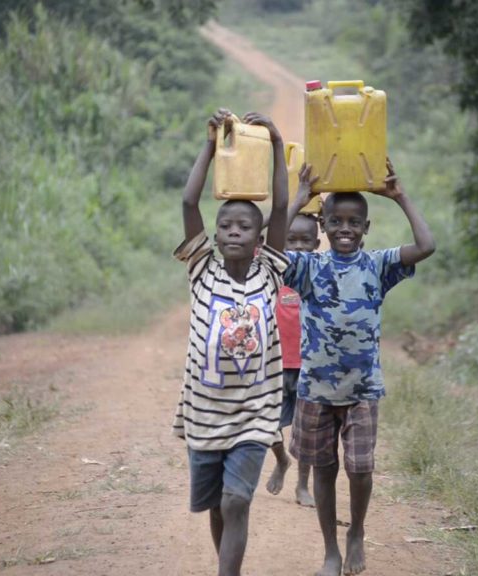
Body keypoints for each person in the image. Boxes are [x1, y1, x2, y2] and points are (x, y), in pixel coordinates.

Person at [284, 161, 436, 576]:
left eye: (354, 222)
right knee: (324, 470)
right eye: (335, 221)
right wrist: (299, 198)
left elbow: (426, 246)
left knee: (361, 469)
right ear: (324, 226)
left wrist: (400, 196)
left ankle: (357, 533)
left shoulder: (378, 265)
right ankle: (331, 549)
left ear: (367, 228)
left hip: (363, 390)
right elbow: (270, 250)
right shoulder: (308, 267)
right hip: (316, 390)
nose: (344, 229)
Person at [173, 108, 288, 576]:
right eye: (226, 227)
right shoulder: (202, 271)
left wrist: (278, 143)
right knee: (218, 507)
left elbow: (281, 209)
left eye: (244, 226)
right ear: (215, 237)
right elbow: (187, 202)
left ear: (259, 238)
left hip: (256, 411)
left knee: (238, 500)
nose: (234, 230)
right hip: (204, 412)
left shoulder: (269, 273)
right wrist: (209, 144)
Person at [264, 212, 320, 507]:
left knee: (306, 431)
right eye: (290, 240)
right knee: (266, 424)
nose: (298, 247)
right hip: (273, 365)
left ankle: (302, 485)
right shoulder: (270, 273)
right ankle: (281, 459)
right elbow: (255, 237)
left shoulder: (318, 275)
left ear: (317, 243)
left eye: (305, 241)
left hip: (308, 367)